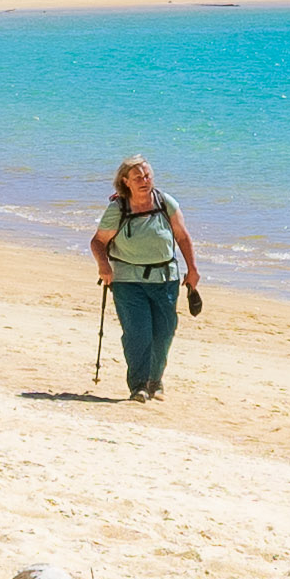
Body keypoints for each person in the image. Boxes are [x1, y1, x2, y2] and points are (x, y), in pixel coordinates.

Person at [89, 157, 205, 398]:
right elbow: (98, 242)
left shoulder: (165, 203)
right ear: (126, 182)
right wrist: (104, 266)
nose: (144, 181)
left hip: (165, 279)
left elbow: (182, 236)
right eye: (138, 178)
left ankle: (155, 381)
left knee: (163, 332)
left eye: (147, 176)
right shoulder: (118, 209)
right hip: (128, 281)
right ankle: (139, 385)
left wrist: (192, 269)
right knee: (137, 332)